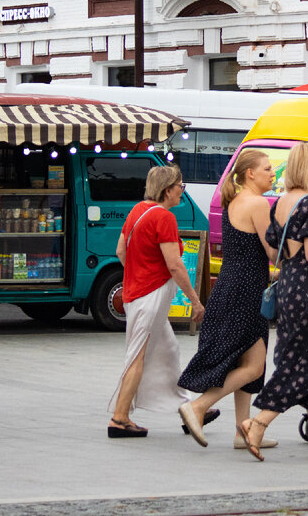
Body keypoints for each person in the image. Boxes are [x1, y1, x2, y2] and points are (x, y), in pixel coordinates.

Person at [236, 141, 308, 461]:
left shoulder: (280, 203)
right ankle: (258, 423)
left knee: (301, 361)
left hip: (287, 287)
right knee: (307, 365)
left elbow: (284, 248)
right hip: (307, 291)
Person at [178, 149, 279, 451]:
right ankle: (198, 407)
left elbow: (248, 254)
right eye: (267, 169)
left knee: (245, 361)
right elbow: (272, 252)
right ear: (250, 174)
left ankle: (242, 431)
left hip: (231, 287)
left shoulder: (234, 201)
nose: (272, 174)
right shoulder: (258, 203)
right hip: (247, 292)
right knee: (255, 367)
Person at [108, 165, 205, 438]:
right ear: (167, 190)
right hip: (151, 294)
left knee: (168, 350)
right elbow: (175, 265)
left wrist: (137, 273)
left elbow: (120, 249)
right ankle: (119, 417)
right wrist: (196, 302)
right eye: (180, 186)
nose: (182, 191)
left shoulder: (138, 210)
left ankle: (189, 407)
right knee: (138, 356)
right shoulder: (164, 218)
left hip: (135, 293)